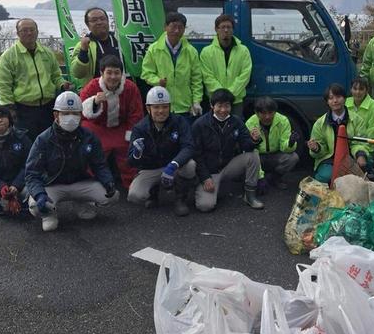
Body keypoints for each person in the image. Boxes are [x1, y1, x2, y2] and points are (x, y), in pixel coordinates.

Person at [25, 92, 119, 232]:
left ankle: (82, 203)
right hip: (53, 184)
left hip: (80, 182)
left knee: (112, 195)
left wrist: (108, 181)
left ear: (81, 115)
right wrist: (39, 194)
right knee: (35, 206)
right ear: (56, 115)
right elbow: (32, 173)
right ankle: (49, 214)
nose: (70, 117)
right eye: (65, 113)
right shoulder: (43, 140)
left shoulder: (89, 137)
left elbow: (99, 164)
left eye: (75, 113)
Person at [0, 18, 72, 141]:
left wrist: (62, 84)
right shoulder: (8, 56)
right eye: (24, 30)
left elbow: (56, 76)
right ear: (18, 33)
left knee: (50, 142)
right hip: (23, 110)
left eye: (32, 29)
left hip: (48, 108)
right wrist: (9, 108)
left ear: (37, 31)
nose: (29, 33)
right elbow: (3, 84)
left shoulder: (47, 53)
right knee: (27, 144)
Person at [127, 86, 196, 216]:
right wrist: (137, 154)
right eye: (156, 107)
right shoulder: (139, 128)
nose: (161, 111)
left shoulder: (179, 121)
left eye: (165, 107)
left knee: (190, 166)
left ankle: (180, 199)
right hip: (151, 168)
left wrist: (173, 165)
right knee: (135, 195)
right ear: (148, 108)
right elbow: (130, 162)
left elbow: (189, 147)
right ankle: (153, 194)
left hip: (174, 166)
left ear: (169, 107)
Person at [191, 88, 264, 211]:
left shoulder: (236, 121)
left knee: (253, 156)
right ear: (212, 105)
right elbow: (195, 154)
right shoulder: (200, 124)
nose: (223, 110)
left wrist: (254, 140)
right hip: (209, 172)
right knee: (205, 206)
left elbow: (246, 146)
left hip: (228, 167)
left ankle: (250, 196)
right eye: (219, 106)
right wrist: (205, 177)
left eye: (227, 106)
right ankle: (208, 186)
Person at [79, 55, 144, 188]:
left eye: (116, 73)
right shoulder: (92, 87)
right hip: (98, 127)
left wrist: (130, 134)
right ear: (102, 73)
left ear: (122, 74)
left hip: (121, 127)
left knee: (129, 149)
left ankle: (132, 184)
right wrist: (95, 102)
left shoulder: (130, 88)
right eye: (109, 73)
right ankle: (92, 184)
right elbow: (81, 111)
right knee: (92, 148)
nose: (113, 77)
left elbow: (136, 114)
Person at [141, 12, 203, 119]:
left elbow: (196, 79)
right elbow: (146, 73)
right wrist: (157, 81)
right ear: (165, 27)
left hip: (185, 106)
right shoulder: (154, 49)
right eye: (173, 27)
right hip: (161, 105)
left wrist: (196, 101)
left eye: (180, 27)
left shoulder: (191, 51)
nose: (177, 31)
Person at [307, 83, 371, 184]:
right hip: (329, 159)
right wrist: (316, 148)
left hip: (351, 158)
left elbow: (360, 143)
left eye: (338, 97)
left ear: (345, 98)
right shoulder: (320, 123)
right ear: (327, 102)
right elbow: (320, 153)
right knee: (326, 176)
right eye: (331, 98)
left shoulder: (357, 120)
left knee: (363, 171)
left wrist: (360, 155)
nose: (335, 101)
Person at [200, 14, 252, 117]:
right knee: (215, 126)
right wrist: (221, 95)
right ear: (216, 29)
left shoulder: (243, 50)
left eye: (229, 27)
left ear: (233, 30)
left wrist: (230, 94)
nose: (226, 30)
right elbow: (207, 77)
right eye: (223, 27)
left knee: (235, 126)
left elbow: (245, 75)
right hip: (215, 101)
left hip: (236, 100)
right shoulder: (206, 52)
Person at [245, 97, 299, 190]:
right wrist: (260, 177)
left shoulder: (283, 120)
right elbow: (249, 150)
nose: (267, 117)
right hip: (258, 157)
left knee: (293, 158)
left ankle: (274, 178)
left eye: (270, 113)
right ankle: (258, 179)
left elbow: (284, 147)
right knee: (248, 159)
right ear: (256, 113)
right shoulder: (250, 123)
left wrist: (290, 143)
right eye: (263, 113)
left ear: (275, 111)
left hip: (275, 155)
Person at [70, 7, 125, 90]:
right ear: (88, 25)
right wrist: (83, 51)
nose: (99, 22)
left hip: (122, 90)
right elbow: (77, 73)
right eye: (94, 20)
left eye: (102, 19)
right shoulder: (83, 45)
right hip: (95, 92)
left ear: (108, 21)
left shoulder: (120, 40)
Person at [345, 76, 374, 176]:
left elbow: (373, 133)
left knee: (363, 165)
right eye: (355, 88)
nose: (357, 92)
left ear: (367, 90)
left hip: (367, 146)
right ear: (351, 89)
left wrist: (360, 151)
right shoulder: (345, 103)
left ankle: (371, 166)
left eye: (361, 89)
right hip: (348, 145)